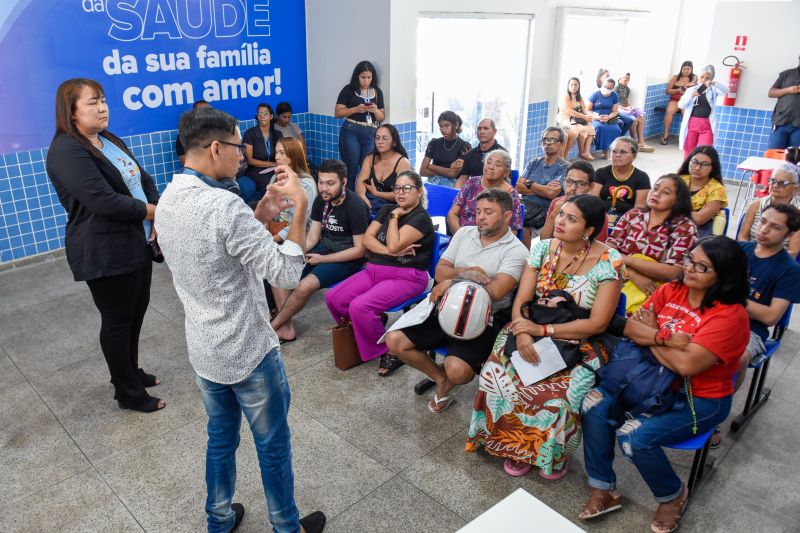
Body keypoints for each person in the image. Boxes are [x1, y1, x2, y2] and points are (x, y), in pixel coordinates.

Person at [155, 107, 325, 533]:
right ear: (216, 148)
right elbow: (286, 273)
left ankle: (219, 518)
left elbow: (221, 250)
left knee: (220, 438)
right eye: (236, 148)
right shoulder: (224, 205)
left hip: (206, 347)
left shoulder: (168, 199)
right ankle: (288, 527)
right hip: (248, 350)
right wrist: (300, 208)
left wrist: (263, 213)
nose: (243, 157)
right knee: (272, 447)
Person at [579, 236, 750, 533]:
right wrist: (663, 338)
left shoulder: (730, 316)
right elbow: (632, 329)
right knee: (593, 404)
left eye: (702, 267)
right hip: (645, 380)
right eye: (689, 260)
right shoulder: (672, 290)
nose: (690, 269)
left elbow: (687, 366)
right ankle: (603, 488)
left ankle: (672, 496)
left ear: (723, 276)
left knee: (634, 438)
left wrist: (653, 333)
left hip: (697, 398)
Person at [466, 194, 624, 480]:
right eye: (561, 214)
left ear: (589, 230)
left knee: (561, 392)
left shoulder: (609, 261)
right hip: (530, 325)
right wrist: (523, 331)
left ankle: (549, 452)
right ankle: (510, 444)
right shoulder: (542, 250)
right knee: (498, 372)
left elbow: (598, 323)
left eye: (571, 219)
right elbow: (522, 301)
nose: (560, 222)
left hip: (578, 338)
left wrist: (542, 332)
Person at [46, 78, 163, 413]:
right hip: (104, 250)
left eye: (104, 100)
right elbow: (103, 201)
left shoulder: (108, 139)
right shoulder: (67, 150)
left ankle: (131, 372)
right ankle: (127, 392)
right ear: (71, 112)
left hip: (136, 242)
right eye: (93, 102)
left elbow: (142, 178)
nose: (103, 107)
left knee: (136, 311)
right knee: (117, 320)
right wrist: (153, 211)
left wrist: (153, 213)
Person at [386, 189, 528, 408]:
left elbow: (497, 291)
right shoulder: (464, 233)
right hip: (445, 306)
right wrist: (465, 273)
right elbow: (441, 271)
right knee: (395, 341)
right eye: (478, 211)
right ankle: (441, 378)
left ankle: (450, 376)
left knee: (458, 371)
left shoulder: (517, 251)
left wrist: (453, 281)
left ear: (507, 216)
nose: (480, 217)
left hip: (482, 320)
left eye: (488, 212)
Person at [326, 170, 435, 376]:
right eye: (397, 188)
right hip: (374, 270)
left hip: (407, 276)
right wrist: (387, 251)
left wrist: (395, 217)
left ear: (419, 192)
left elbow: (394, 244)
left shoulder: (420, 218)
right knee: (334, 298)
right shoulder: (386, 208)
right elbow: (367, 240)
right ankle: (367, 329)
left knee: (360, 306)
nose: (400, 193)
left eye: (407, 188)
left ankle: (388, 350)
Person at [271, 159, 369, 343]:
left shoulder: (355, 206)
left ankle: (272, 328)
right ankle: (285, 326)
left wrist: (322, 259)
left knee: (305, 285)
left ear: (344, 182)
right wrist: (292, 253)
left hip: (347, 257)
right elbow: (312, 238)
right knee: (278, 271)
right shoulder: (321, 200)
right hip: (323, 249)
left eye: (330, 183)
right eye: (321, 182)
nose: (324, 188)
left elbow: (360, 251)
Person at [607, 174, 698, 314]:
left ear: (677, 200)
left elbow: (676, 272)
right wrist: (631, 273)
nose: (657, 193)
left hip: (656, 290)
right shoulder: (633, 215)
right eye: (655, 188)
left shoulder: (685, 228)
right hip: (618, 277)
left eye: (665, 192)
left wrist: (628, 259)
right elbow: (606, 252)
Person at [515, 127, 570, 247]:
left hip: (545, 211)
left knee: (523, 228)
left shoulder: (564, 167)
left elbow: (551, 194)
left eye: (553, 140)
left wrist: (529, 183)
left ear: (561, 144)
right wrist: (543, 188)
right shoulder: (534, 162)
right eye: (545, 139)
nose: (548, 143)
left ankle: (526, 261)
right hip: (525, 206)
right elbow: (518, 187)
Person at [335, 60, 385, 188]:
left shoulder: (377, 92)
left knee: (366, 168)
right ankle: (348, 198)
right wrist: (356, 109)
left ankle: (362, 199)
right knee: (351, 167)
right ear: (357, 76)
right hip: (351, 129)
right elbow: (338, 112)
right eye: (363, 77)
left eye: (369, 77)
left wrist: (375, 110)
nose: (366, 81)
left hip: (371, 132)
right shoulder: (349, 89)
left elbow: (381, 117)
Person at [449, 149, 522, 234]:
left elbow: (513, 230)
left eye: (497, 165)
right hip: (463, 237)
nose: (491, 167)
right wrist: (461, 237)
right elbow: (452, 214)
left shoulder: (510, 195)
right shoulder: (472, 183)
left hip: (492, 243)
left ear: (506, 172)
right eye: (488, 162)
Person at [738, 163, 800, 256]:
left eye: (783, 183)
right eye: (773, 181)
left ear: (795, 188)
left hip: (779, 261)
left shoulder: (798, 213)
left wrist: (766, 259)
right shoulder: (755, 205)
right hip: (750, 255)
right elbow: (742, 237)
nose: (775, 186)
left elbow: (793, 251)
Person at [540, 160, 609, 242]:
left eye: (580, 184)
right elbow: (544, 240)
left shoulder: (597, 212)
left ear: (591, 186)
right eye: (568, 181)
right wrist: (553, 215)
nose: (572, 188)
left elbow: (597, 248)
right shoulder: (557, 203)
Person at [355, 123, 412, 216]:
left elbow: (403, 194)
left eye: (385, 138)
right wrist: (362, 197)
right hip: (370, 202)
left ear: (394, 142)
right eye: (377, 138)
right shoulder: (370, 158)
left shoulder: (402, 162)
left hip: (393, 206)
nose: (380, 141)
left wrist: (376, 193)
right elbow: (360, 181)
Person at [591, 136, 651, 222]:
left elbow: (639, 208)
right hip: (601, 216)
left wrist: (623, 223)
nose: (617, 155)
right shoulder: (601, 173)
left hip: (627, 220)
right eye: (614, 151)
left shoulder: (642, 177)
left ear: (634, 156)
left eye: (623, 152)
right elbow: (593, 201)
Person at [678, 65, 729, 158]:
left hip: (706, 126)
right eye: (702, 77)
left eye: (707, 78)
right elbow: (680, 105)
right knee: (688, 152)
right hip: (692, 124)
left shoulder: (713, 90)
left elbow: (726, 91)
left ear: (711, 79)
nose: (704, 79)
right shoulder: (691, 90)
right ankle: (686, 171)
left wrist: (714, 83)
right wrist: (691, 96)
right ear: (698, 77)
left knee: (705, 152)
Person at [677, 145, 727, 236]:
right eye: (694, 162)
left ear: (712, 167)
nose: (697, 168)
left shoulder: (717, 189)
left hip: (697, 231)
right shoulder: (679, 180)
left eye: (704, 164)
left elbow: (699, 219)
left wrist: (671, 211)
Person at [420, 111, 471, 188]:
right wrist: (448, 169)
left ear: (456, 125)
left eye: (447, 126)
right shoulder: (434, 143)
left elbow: (453, 174)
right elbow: (422, 171)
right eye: (441, 126)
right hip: (432, 181)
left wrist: (431, 166)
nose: (443, 130)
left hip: (451, 184)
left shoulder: (465, 146)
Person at [242, 102, 283, 197]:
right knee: (269, 183)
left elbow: (282, 153)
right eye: (259, 114)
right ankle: (268, 210)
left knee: (286, 178)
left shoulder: (277, 134)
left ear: (271, 116)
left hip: (274, 167)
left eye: (265, 114)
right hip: (255, 170)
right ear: (257, 116)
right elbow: (250, 160)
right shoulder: (250, 134)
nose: (262, 116)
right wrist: (271, 164)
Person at [455, 119, 507, 189]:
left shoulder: (503, 154)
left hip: (494, 194)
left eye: (486, 128)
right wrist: (455, 194)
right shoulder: (470, 154)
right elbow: (463, 178)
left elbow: (505, 181)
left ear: (494, 131)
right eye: (479, 129)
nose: (482, 132)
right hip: (473, 193)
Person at [557, 77, 596, 160]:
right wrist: (584, 117)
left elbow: (584, 108)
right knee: (578, 131)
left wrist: (590, 116)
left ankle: (584, 152)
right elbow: (569, 111)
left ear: (579, 86)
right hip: (565, 119)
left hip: (575, 119)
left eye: (576, 85)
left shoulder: (579, 96)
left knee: (591, 128)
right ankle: (564, 157)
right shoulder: (566, 96)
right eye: (571, 84)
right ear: (568, 86)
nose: (573, 86)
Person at [767, 55, 800, 149]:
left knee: (794, 160)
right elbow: (771, 93)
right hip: (781, 123)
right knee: (773, 157)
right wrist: (788, 90)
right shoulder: (786, 74)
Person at [615, 73, 654, 152]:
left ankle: (641, 142)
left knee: (641, 118)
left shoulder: (627, 89)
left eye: (628, 80)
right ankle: (634, 143)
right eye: (625, 80)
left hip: (625, 108)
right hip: (618, 108)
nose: (627, 82)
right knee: (634, 120)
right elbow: (614, 104)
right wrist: (625, 108)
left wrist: (630, 107)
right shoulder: (616, 88)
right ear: (619, 79)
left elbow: (626, 101)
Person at [661, 61, 697, 145]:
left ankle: (687, 136)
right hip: (675, 99)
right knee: (669, 111)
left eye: (688, 69)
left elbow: (698, 90)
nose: (686, 71)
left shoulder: (695, 78)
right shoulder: (675, 77)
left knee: (686, 115)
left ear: (691, 70)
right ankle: (666, 134)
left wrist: (688, 93)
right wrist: (677, 90)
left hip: (687, 101)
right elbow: (667, 91)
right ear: (681, 69)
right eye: (684, 69)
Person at [587, 78, 623, 159]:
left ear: (612, 88)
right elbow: (587, 110)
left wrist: (608, 117)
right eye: (605, 86)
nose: (606, 89)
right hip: (595, 118)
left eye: (609, 88)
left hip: (609, 118)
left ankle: (609, 150)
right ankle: (604, 150)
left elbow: (615, 111)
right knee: (600, 127)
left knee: (616, 129)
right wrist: (597, 117)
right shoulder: (595, 94)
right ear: (602, 84)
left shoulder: (614, 95)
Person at [176, 100, 211, 165]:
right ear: (195, 114)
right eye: (203, 111)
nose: (208, 114)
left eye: (210, 111)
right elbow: (186, 163)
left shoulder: (219, 131)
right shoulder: (185, 135)